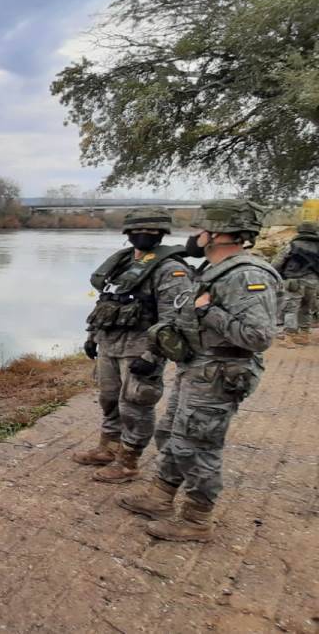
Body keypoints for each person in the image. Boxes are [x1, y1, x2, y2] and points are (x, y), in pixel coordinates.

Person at [119, 199, 279, 542]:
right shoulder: (213, 269)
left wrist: (208, 311)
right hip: (197, 368)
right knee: (173, 435)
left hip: (221, 373)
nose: (195, 236)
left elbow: (258, 336)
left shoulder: (247, 274)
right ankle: (160, 497)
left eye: (200, 229)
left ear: (218, 233)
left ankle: (196, 520)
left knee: (199, 445)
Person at [75, 208, 194, 483]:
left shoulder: (171, 270)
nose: (144, 235)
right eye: (138, 231)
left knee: (135, 406)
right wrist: (92, 336)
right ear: (127, 233)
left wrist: (152, 354)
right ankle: (108, 447)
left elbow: (173, 319)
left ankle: (128, 462)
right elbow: (105, 302)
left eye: (152, 231)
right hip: (109, 344)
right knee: (108, 399)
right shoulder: (122, 264)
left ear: (162, 234)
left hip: (140, 348)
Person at [272, 220, 319, 347]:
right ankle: (304, 335)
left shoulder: (292, 245)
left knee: (290, 309)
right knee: (306, 308)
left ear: (300, 230)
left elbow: (278, 262)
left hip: (294, 282)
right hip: (313, 282)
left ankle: (289, 337)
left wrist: (274, 274)